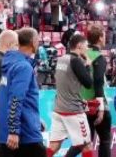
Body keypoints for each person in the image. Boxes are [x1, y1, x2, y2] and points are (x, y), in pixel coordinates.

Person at [0, 27, 45, 157]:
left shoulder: (10, 64)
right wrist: (14, 130)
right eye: (38, 39)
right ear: (33, 42)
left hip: (10, 133)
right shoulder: (23, 66)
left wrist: (36, 119)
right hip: (24, 135)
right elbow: (16, 99)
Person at [47, 33, 95, 157]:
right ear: (79, 46)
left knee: (54, 146)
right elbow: (88, 83)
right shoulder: (76, 61)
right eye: (86, 46)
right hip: (73, 111)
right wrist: (88, 65)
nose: (87, 49)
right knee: (86, 145)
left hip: (58, 109)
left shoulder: (62, 58)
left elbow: (67, 80)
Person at [83, 25, 112, 157]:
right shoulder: (98, 56)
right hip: (96, 104)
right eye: (104, 35)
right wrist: (100, 108)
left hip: (82, 103)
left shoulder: (82, 55)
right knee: (105, 140)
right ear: (100, 38)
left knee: (86, 142)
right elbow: (99, 81)